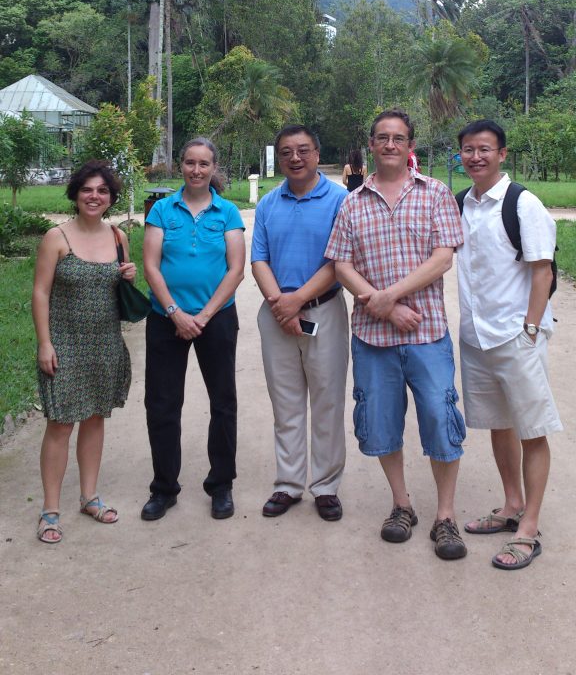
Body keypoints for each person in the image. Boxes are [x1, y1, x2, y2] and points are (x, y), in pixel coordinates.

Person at [326, 109, 467, 560]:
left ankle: (446, 516)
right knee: (382, 425)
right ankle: (401, 505)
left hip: (426, 332)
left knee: (440, 422)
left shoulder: (436, 194)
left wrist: (390, 297)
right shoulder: (352, 202)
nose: (390, 144)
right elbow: (341, 264)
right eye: (382, 137)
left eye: (398, 138)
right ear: (370, 144)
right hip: (372, 339)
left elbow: (443, 258)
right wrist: (380, 305)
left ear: (410, 147)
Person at [456, 119, 562, 570]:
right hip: (476, 336)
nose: (475, 156)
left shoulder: (523, 203)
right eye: (468, 149)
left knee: (531, 429)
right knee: (499, 424)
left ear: (502, 154)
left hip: (516, 335)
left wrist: (531, 330)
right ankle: (510, 504)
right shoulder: (461, 203)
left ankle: (529, 527)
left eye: (484, 149)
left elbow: (544, 271)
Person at [141, 137, 245, 522]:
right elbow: (151, 265)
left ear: (213, 167)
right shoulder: (162, 210)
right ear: (180, 165)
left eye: (204, 164)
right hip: (166, 319)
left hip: (216, 318)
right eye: (189, 162)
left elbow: (236, 269)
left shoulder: (227, 212)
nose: (196, 170)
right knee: (163, 404)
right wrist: (175, 312)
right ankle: (164, 488)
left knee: (222, 403)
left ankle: (221, 484)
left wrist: (203, 315)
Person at [33, 160, 134, 544]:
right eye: (88, 190)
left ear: (111, 198)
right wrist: (45, 342)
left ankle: (89, 497)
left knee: (94, 418)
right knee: (60, 423)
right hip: (64, 343)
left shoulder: (118, 236)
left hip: (105, 342)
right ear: (75, 194)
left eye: (102, 191)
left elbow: (121, 283)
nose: (95, 196)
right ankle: (50, 510)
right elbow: (40, 292)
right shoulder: (56, 238)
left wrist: (130, 274)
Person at [251, 124, 349, 521]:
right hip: (276, 314)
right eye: (287, 151)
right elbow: (259, 259)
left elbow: (339, 261)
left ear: (316, 153)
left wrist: (298, 301)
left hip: (324, 311)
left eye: (303, 150)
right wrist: (281, 305)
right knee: (286, 403)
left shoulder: (341, 200)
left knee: (327, 402)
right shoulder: (269, 204)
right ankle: (288, 484)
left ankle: (325, 486)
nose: (295, 158)